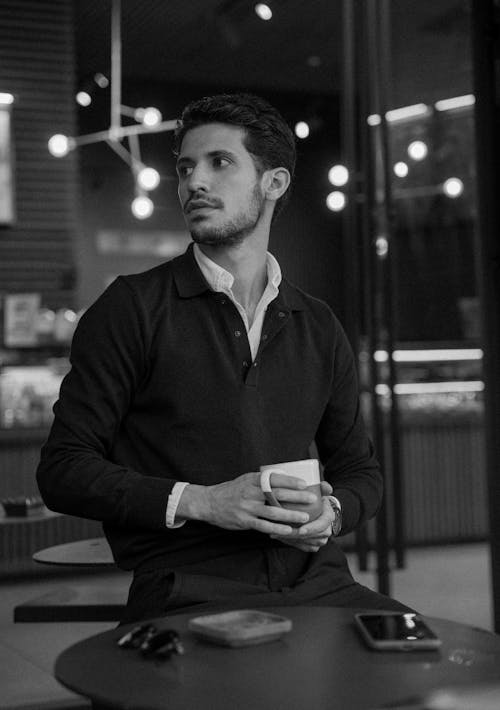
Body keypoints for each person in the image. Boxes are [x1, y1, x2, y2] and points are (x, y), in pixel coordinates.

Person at [37, 92, 409, 623]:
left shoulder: (319, 324)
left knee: (422, 675)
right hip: (188, 591)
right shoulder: (132, 308)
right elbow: (63, 470)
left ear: (273, 183)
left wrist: (328, 512)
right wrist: (203, 501)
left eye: (220, 162)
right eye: (186, 167)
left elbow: (360, 472)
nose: (195, 182)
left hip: (321, 582)